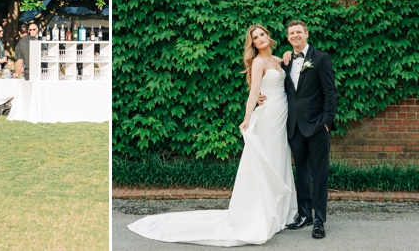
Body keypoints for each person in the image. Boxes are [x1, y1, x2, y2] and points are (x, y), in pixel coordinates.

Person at [128, 24, 297, 246]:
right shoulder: (258, 62)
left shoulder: (278, 59)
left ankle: (281, 211)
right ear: (253, 44)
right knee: (269, 159)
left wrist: (288, 55)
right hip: (268, 117)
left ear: (268, 35)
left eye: (262, 34)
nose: (261, 39)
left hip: (282, 113)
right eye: (256, 37)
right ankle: (265, 212)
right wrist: (247, 117)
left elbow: (288, 72)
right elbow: (254, 91)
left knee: (280, 157)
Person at [269, 20, 339, 239]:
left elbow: (331, 92)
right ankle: (304, 214)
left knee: (319, 173)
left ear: (306, 34)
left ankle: (319, 219)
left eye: (299, 32)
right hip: (295, 127)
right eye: (291, 33)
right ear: (288, 37)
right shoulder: (286, 61)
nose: (295, 35)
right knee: (301, 172)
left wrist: (326, 122)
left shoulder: (321, 58)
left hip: (317, 125)